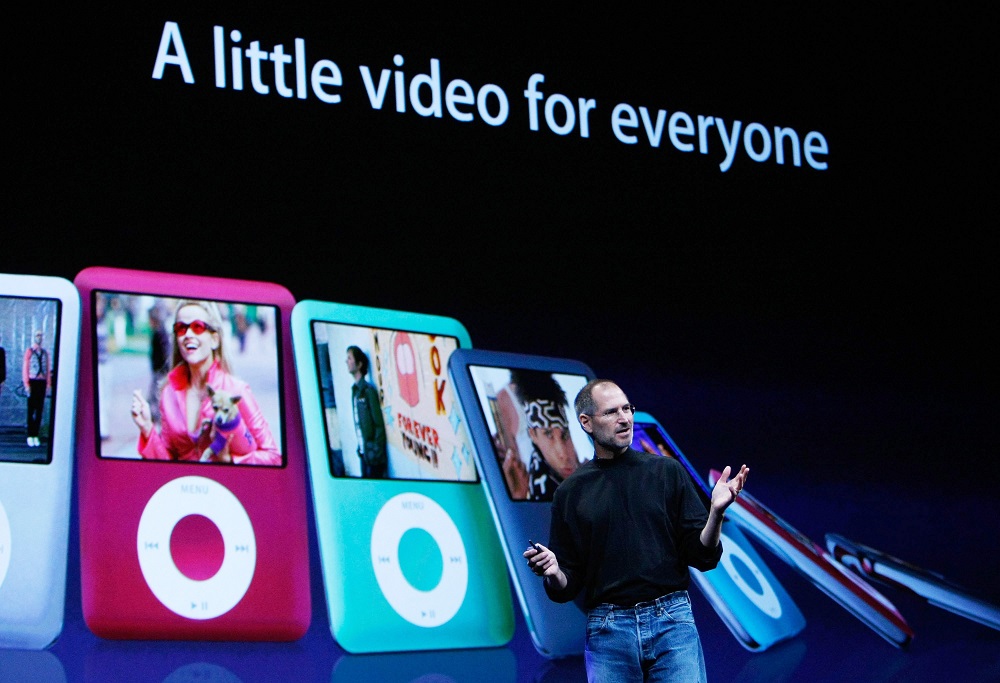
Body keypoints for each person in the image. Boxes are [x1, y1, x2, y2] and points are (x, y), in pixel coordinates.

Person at [524, 379, 749, 683]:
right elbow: (567, 583)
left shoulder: (666, 472)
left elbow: (702, 556)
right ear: (586, 422)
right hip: (608, 630)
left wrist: (716, 513)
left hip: (671, 622)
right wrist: (553, 570)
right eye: (611, 412)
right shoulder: (570, 492)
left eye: (627, 409)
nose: (625, 418)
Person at [129, 300, 280, 465]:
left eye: (197, 327)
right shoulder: (169, 393)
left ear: (215, 339)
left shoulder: (236, 390)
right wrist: (147, 428)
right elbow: (166, 464)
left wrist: (231, 460)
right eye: (181, 328)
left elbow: (273, 456)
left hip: (226, 488)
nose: (188, 335)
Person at [494, 369, 581, 500]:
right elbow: (512, 462)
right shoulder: (505, 398)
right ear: (533, 436)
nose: (563, 454)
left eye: (564, 436)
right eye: (548, 435)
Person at [346, 345, 387, 478]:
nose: (346, 361)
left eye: (349, 358)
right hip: (363, 455)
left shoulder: (368, 391)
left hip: (373, 457)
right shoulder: (355, 391)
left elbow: (379, 425)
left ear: (359, 364)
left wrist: (375, 452)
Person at [21, 330, 51, 448]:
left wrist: (48, 384)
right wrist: (26, 384)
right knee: (31, 410)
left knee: (39, 410)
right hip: (32, 382)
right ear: (34, 337)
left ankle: (36, 434)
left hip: (41, 382)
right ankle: (30, 434)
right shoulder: (29, 351)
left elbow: (48, 369)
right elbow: (25, 368)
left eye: (41, 335)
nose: (39, 337)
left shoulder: (45, 353)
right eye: (37, 335)